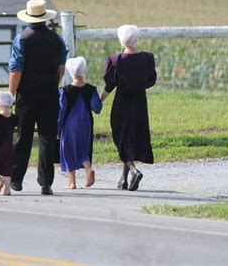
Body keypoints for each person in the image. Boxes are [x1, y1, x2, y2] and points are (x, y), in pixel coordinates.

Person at [8, 0, 67, 195]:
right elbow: (60, 69)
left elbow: (16, 70)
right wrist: (52, 84)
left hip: (27, 93)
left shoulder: (22, 39)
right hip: (49, 92)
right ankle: (45, 182)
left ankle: (16, 179)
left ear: (28, 18)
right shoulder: (57, 39)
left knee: (23, 136)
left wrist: (11, 93)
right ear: (45, 18)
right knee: (47, 137)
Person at [101, 25, 157, 191]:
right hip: (140, 102)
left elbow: (110, 84)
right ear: (136, 39)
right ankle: (123, 180)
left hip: (122, 103)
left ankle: (133, 170)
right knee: (130, 139)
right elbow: (151, 80)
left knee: (121, 137)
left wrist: (99, 100)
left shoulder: (116, 60)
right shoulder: (147, 58)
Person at [57, 56, 102, 189]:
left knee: (68, 150)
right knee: (83, 149)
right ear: (83, 71)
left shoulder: (64, 91)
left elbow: (61, 112)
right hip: (86, 123)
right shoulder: (91, 89)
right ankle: (88, 170)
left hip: (69, 125)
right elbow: (97, 108)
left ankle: (72, 182)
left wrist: (57, 129)